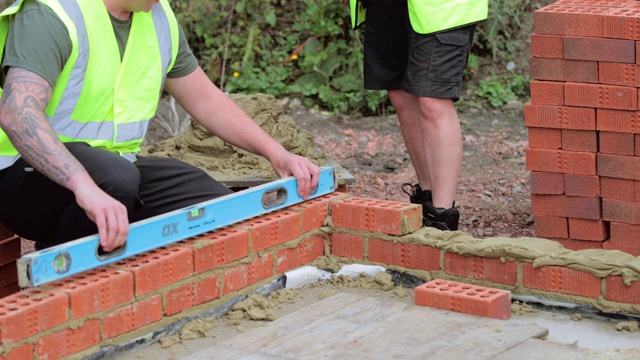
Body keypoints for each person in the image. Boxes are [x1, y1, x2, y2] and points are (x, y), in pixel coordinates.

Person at [0, 0, 320, 252]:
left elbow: (206, 100)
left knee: (216, 205)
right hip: (26, 179)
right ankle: (68, 272)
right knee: (116, 178)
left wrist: (277, 153)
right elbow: (17, 113)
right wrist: (83, 186)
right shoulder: (52, 14)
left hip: (115, 171)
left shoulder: (158, 17)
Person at [350, 0, 487, 231]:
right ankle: (427, 202)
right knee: (400, 94)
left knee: (433, 100)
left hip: (441, 7)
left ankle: (441, 221)